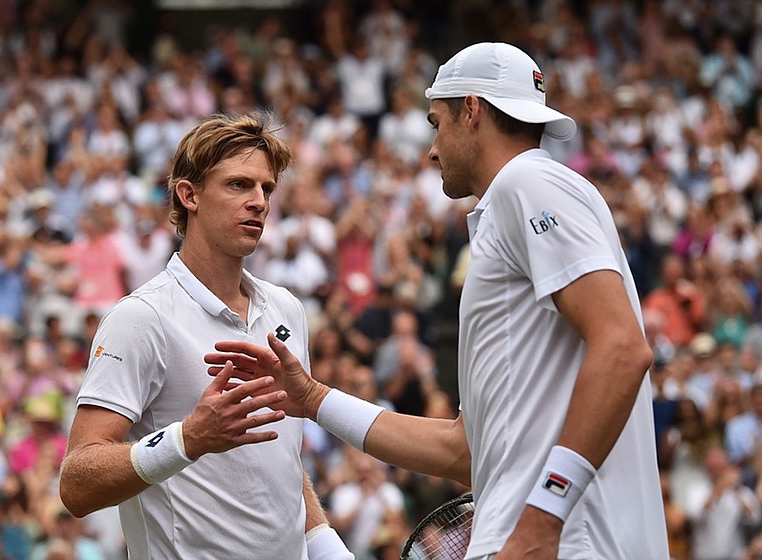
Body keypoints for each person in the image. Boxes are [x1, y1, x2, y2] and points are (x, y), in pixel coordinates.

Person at [206, 43, 669, 559]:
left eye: (435, 122)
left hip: (564, 544)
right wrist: (314, 400)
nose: (431, 148)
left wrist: (542, 520)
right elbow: (462, 450)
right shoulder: (518, 202)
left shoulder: (528, 180)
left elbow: (624, 349)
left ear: (470, 110)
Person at [58, 112, 353, 560]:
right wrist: (188, 439)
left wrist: (329, 549)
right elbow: (76, 482)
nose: (259, 201)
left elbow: (280, 461)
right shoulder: (141, 317)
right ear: (188, 195)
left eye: (266, 189)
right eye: (239, 185)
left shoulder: (287, 308)